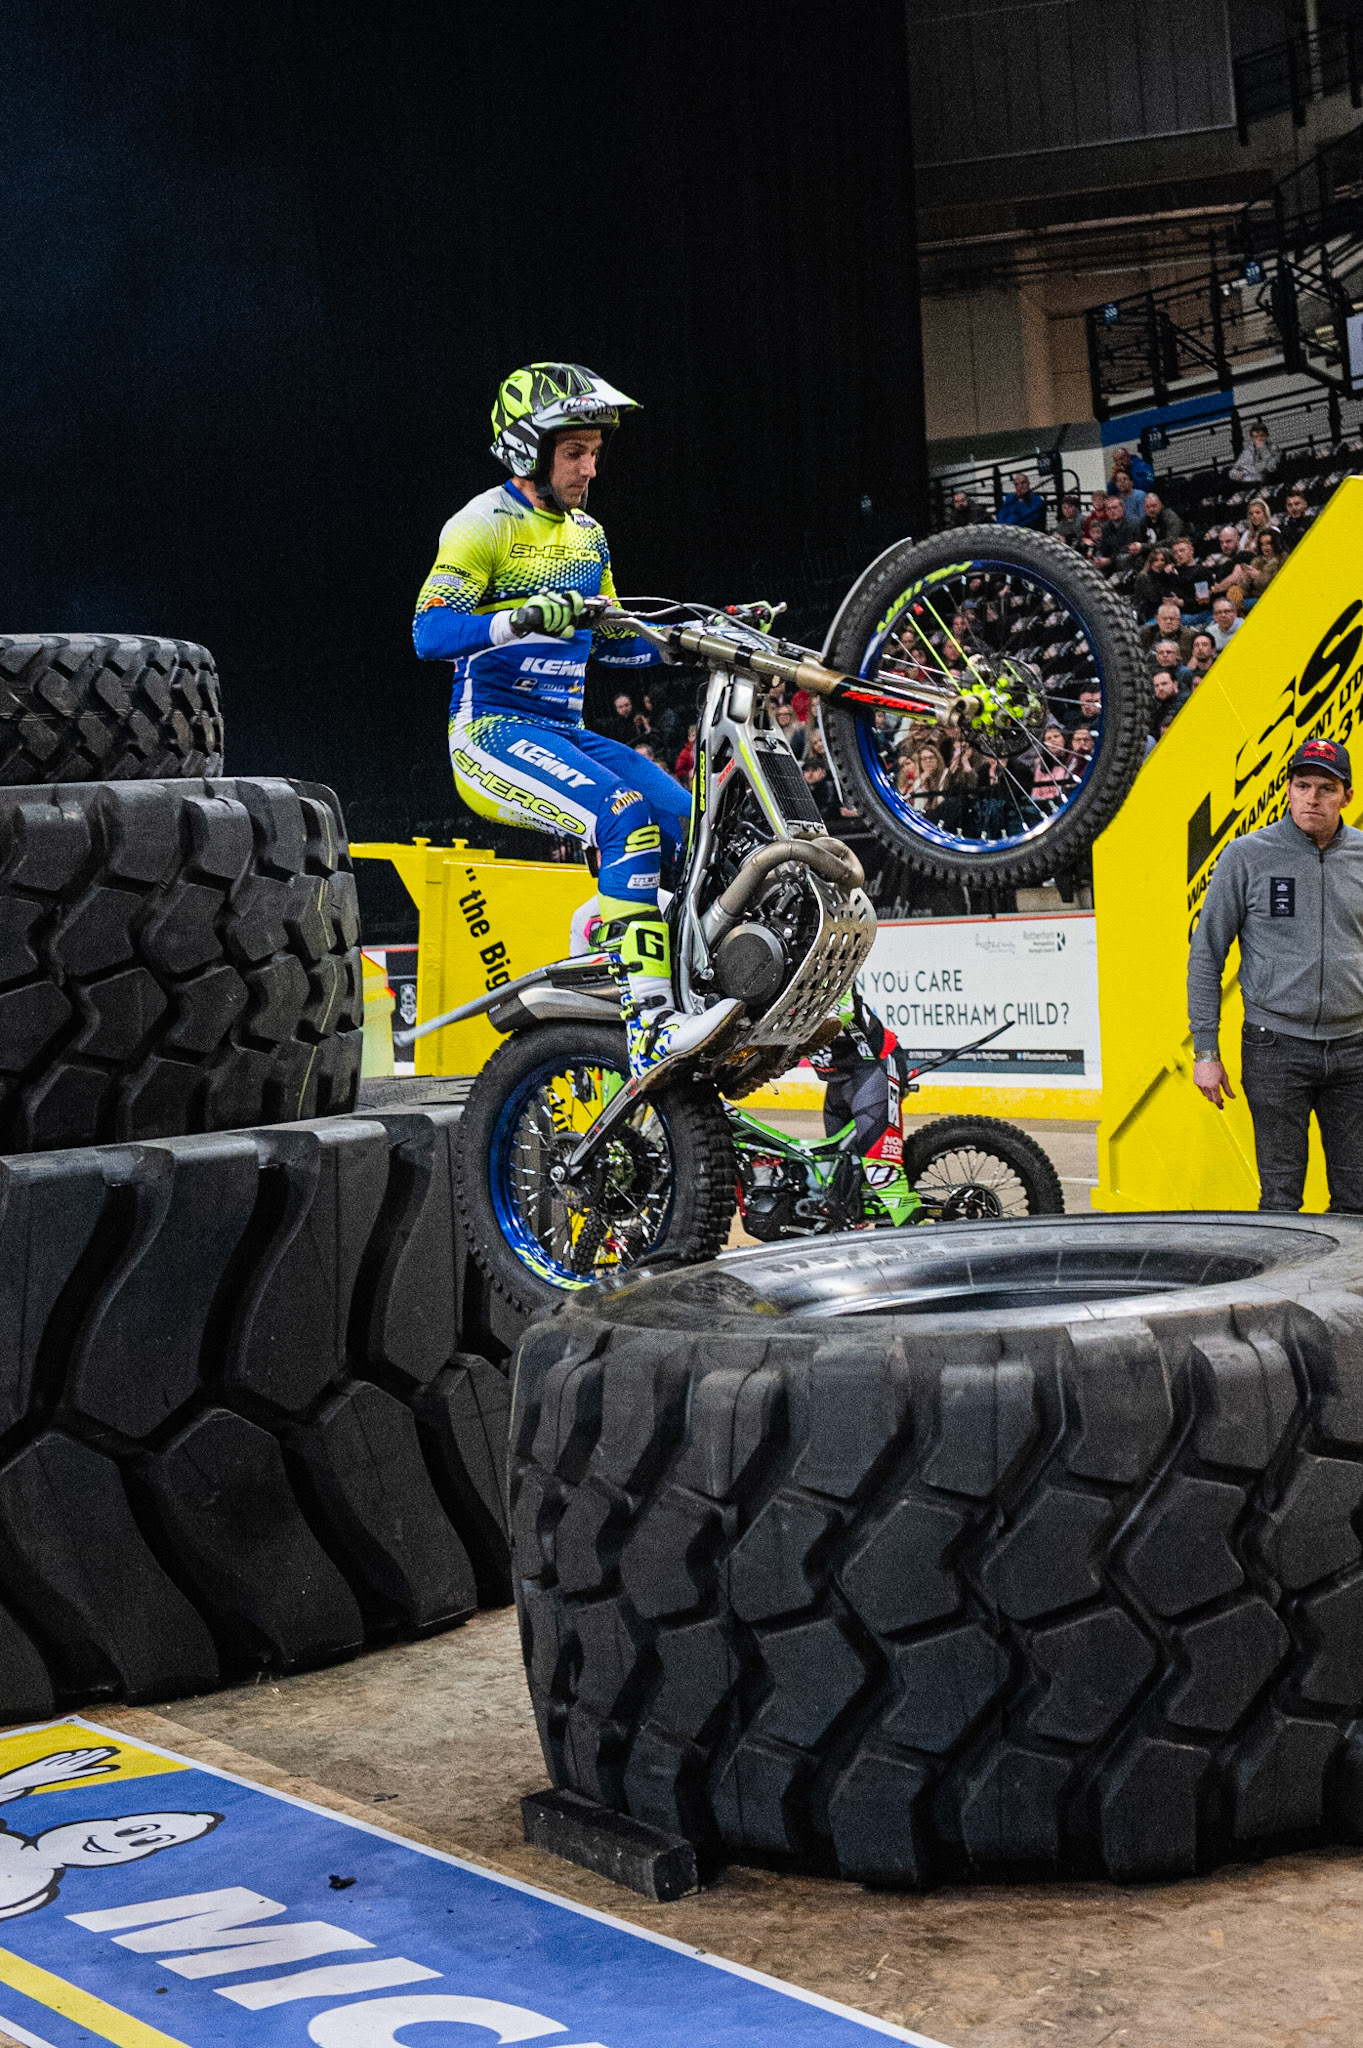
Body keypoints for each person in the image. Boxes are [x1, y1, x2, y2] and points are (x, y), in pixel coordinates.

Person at [413, 360, 739, 1079]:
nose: (589, 467)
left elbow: (615, 643)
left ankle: (616, 937)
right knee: (624, 813)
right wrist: (521, 618)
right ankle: (651, 1024)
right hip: (490, 734)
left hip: (562, 730)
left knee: (691, 823)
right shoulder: (482, 523)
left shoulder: (589, 535)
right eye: (573, 453)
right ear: (527, 449)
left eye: (594, 452)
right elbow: (429, 634)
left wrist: (702, 629)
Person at [1189, 738, 1363, 1212]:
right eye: (1302, 785)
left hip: (1355, 1050)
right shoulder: (1247, 856)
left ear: (1346, 795)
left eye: (1326, 788)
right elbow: (1207, 954)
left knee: (1358, 1198)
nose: (1312, 798)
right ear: (1287, 790)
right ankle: (1288, 1290)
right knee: (1281, 1198)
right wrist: (1206, 1050)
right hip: (1274, 1047)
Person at [1228, 419, 1281, 486]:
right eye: (1256, 437)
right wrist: (1236, 474)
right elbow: (1235, 468)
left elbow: (1271, 468)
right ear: (1252, 438)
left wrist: (1262, 448)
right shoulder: (1248, 451)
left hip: (1269, 482)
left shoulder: (1273, 448)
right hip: (1249, 483)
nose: (1259, 439)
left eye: (1262, 436)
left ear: (1267, 435)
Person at [1279, 487, 1316, 553]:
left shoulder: (1315, 522)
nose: (1294, 508)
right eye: (1290, 505)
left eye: (1297, 504)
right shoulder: (1284, 529)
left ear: (1305, 504)